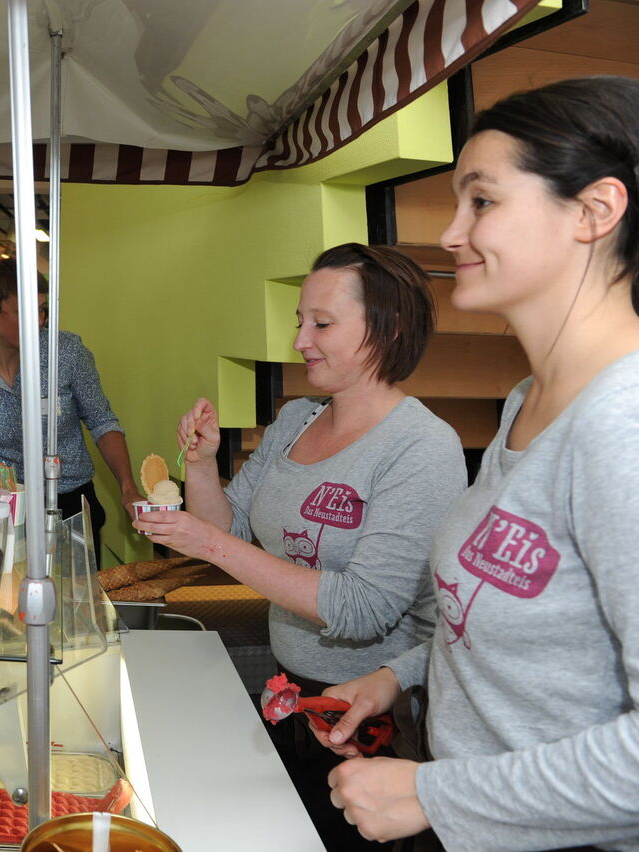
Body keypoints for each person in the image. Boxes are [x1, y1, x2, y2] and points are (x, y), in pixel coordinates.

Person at [319, 77, 639, 852]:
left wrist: (435, 791)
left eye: (482, 201)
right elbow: (524, 630)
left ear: (595, 211)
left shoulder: (620, 429)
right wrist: (404, 672)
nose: (453, 233)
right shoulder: (528, 401)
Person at [135, 243, 466, 848]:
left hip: (372, 715)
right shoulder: (297, 418)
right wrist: (203, 469)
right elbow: (233, 528)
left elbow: (362, 607)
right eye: (299, 323)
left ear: (386, 329)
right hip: (289, 685)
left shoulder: (422, 448)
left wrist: (207, 542)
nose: (300, 341)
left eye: (322, 323)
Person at [0, 257, 143, 554]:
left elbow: (102, 421)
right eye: (26, 312)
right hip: (4, 508)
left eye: (42, 309)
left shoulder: (67, 352)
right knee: (8, 598)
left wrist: (128, 488)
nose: (40, 320)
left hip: (71, 502)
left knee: (76, 597)